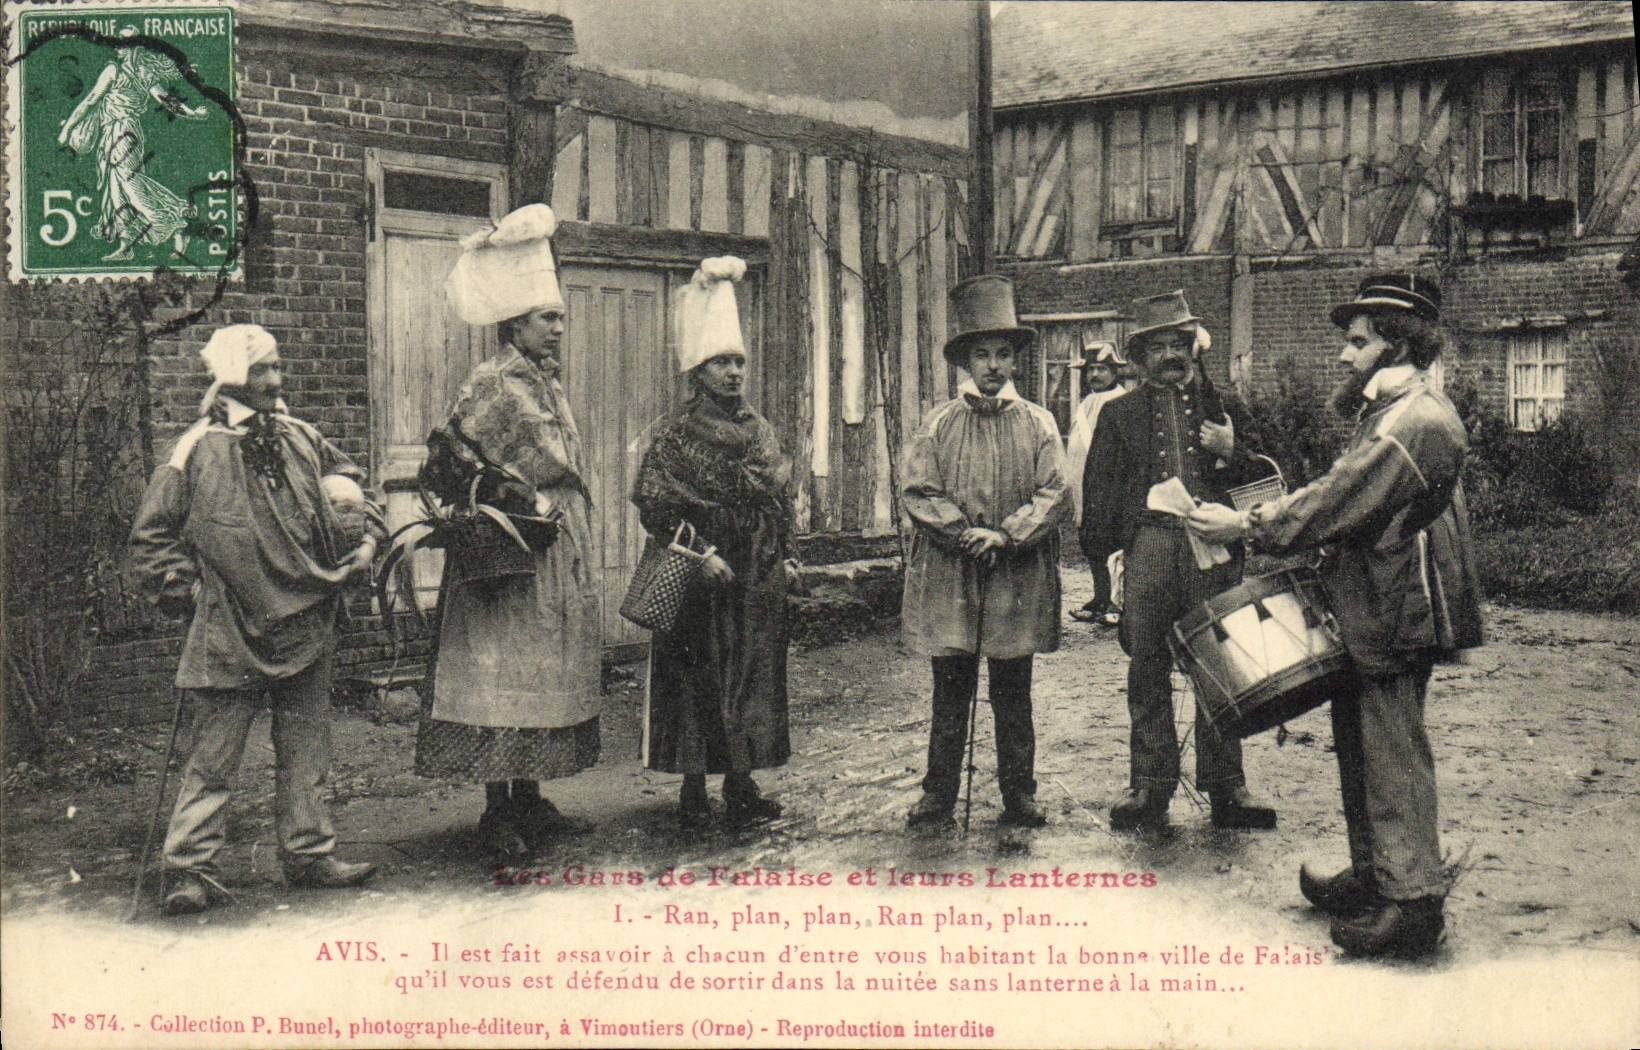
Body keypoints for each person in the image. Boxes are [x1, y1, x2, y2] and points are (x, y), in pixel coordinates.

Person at [1188, 274, 1483, 958]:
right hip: (1375, 597)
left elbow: (1336, 500)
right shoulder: (1394, 410)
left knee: (1390, 745)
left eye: (1357, 342)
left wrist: (1247, 525)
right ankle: (1380, 872)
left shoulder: (1415, 421)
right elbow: (1337, 497)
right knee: (1361, 733)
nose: (1344, 356)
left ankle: (1411, 903)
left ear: (1396, 344)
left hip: (1398, 603)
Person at [129, 324, 382, 915]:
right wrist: (191, 593)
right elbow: (151, 539)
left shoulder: (302, 436)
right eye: (262, 370)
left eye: (277, 367)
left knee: (306, 750)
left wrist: (365, 540)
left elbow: (356, 492)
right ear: (229, 379)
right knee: (213, 758)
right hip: (230, 630)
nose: (276, 380)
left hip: (307, 620)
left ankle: (309, 853)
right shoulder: (196, 449)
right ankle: (189, 870)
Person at [416, 203, 600, 864]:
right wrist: (515, 498)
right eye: (548, 318)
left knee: (539, 675)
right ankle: (496, 810)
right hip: (509, 556)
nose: (559, 328)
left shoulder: (546, 383)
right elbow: (447, 465)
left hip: (550, 556)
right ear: (517, 324)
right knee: (501, 678)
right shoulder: (493, 384)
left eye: (559, 318)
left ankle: (529, 796)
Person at [1080, 290, 1277, 833]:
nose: (1171, 354)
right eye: (1158, 346)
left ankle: (1226, 788)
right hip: (1150, 548)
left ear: (1195, 349)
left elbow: (1266, 481)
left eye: (1179, 343)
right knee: (1145, 666)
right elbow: (1099, 489)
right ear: (1139, 360)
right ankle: (1150, 785)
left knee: (1221, 661)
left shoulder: (1224, 409)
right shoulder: (1118, 413)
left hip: (1214, 550)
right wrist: (1108, 557)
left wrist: (1233, 448)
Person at [632, 257, 797, 829]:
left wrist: (788, 555)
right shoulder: (674, 434)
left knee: (751, 674)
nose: (733, 373)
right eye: (721, 362)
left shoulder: (759, 429)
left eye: (739, 362)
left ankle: (742, 782)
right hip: (702, 569)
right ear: (698, 371)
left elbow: (780, 498)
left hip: (755, 567)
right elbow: (655, 505)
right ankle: (694, 789)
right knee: (697, 675)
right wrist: (701, 554)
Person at [901, 275, 1068, 829]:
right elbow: (919, 490)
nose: (993, 366)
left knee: (1013, 692)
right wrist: (961, 530)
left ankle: (1020, 792)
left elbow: (1055, 492)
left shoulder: (1039, 423)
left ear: (1016, 360)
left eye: (1003, 354)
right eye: (982, 355)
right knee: (950, 693)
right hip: (953, 574)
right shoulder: (940, 424)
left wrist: (1007, 534)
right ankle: (938, 795)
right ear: (966, 363)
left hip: (1014, 577)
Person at [57, 26, 207, 261]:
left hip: (125, 132)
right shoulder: (126, 70)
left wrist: (193, 114)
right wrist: (192, 113)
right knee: (116, 189)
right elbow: (90, 101)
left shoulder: (129, 71)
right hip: (112, 133)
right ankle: (127, 245)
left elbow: (166, 101)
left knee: (129, 183)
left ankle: (176, 220)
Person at [1064, 339, 1129, 627]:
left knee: (1113, 545)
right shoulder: (1087, 402)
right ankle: (1099, 598)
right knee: (1092, 545)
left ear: (1115, 373)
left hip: (1110, 489)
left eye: (1102, 369)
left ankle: (1117, 602)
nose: (1094, 375)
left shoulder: (1122, 402)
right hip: (1084, 488)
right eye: (1090, 369)